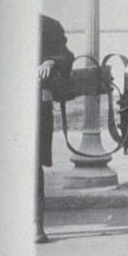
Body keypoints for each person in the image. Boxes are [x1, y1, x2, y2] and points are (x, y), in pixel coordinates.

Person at [37, 14, 74, 243]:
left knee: (32, 163)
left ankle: (36, 224)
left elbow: (65, 55)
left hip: (34, 103)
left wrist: (51, 61)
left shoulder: (47, 24)